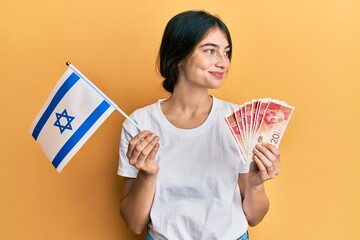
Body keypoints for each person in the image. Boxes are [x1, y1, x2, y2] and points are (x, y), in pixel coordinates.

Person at [117, 10, 281, 240]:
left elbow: (254, 216)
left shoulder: (239, 120)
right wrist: (147, 174)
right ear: (179, 57)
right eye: (210, 50)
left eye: (226, 52)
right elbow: (134, 224)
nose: (223, 62)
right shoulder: (139, 124)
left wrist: (255, 184)